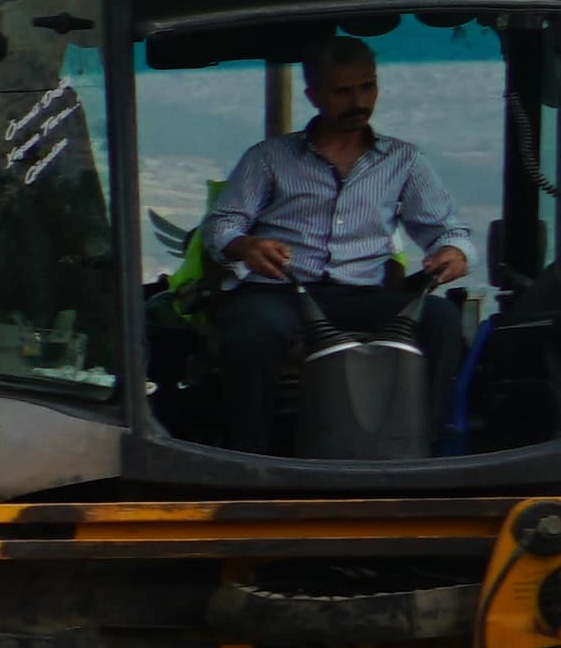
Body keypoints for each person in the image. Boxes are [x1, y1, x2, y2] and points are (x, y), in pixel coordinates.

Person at [194, 39, 473, 434]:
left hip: (363, 296)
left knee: (441, 319)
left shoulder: (404, 160)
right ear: (314, 95)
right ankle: (251, 454)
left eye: (367, 87)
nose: (358, 101)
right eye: (343, 91)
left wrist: (454, 252)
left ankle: (421, 445)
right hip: (281, 293)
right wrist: (245, 245)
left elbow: (449, 230)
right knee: (253, 329)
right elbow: (220, 224)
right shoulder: (270, 157)